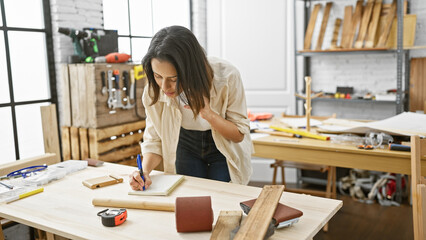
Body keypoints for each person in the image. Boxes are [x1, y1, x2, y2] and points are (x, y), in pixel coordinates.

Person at [129, 25, 252, 191]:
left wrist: (209, 114)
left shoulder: (227, 76)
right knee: (190, 197)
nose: (165, 87)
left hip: (221, 144)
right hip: (184, 141)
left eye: (173, 78)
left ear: (191, 70)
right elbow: (154, 138)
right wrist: (144, 171)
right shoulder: (153, 90)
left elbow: (238, 135)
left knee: (222, 197)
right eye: (158, 76)